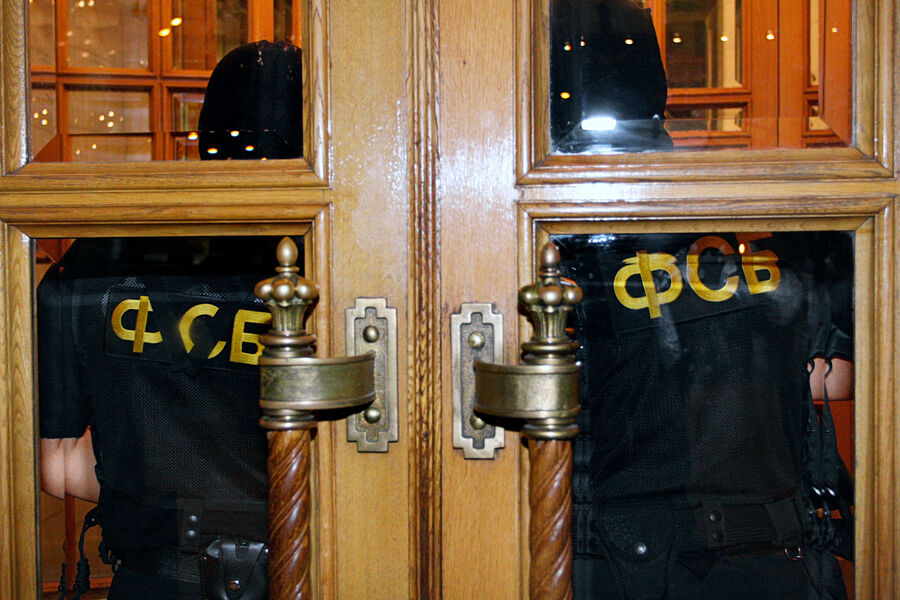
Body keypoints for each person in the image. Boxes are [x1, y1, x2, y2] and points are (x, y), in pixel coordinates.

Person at [38, 39, 303, 600]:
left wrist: (167, 494)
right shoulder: (343, 263)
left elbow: (58, 468)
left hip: (156, 580)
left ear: (204, 134)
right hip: (311, 570)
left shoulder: (100, 257)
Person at [556, 230, 853, 600]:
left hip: (632, 543)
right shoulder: (778, 232)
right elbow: (833, 379)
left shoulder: (593, 237)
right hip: (752, 536)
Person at [550, 0, 673, 153]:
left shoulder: (633, 18)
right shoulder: (557, 14)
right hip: (568, 136)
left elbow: (653, 91)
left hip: (628, 133)